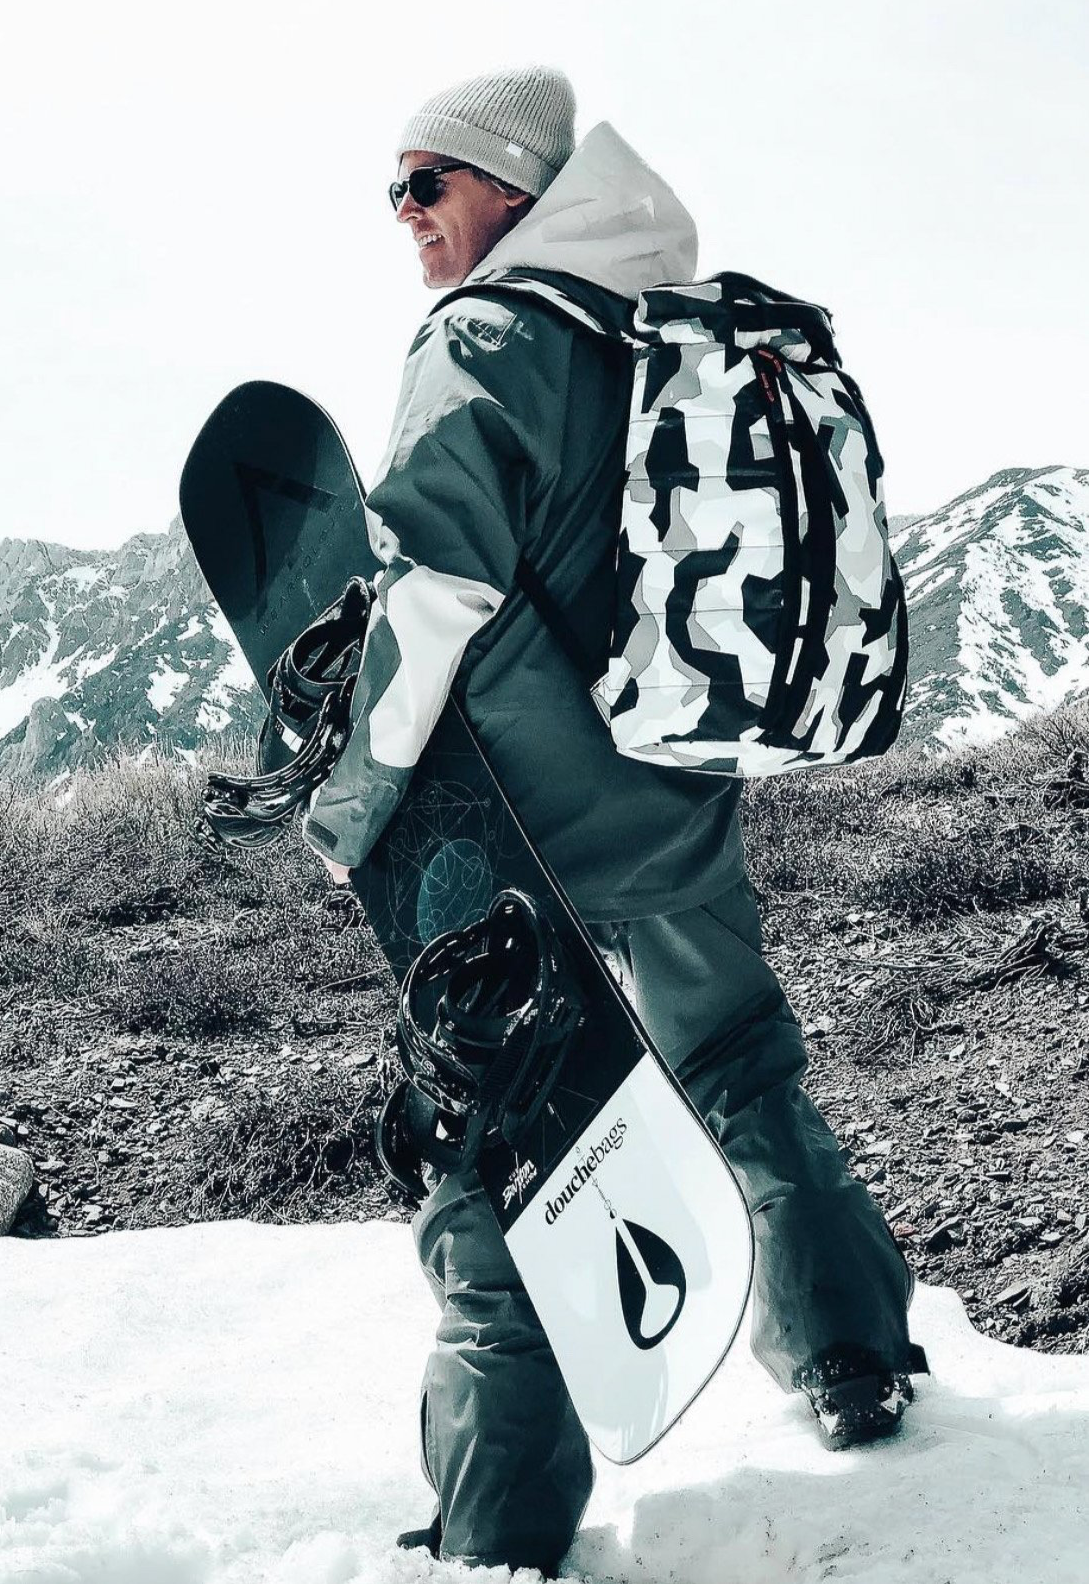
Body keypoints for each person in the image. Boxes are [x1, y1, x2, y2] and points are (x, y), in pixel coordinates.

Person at [301, 65, 922, 1578]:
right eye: (394, 187)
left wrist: (357, 795)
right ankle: (855, 1360)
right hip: (675, 779)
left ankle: (496, 1518)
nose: (405, 216)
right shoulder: (660, 327)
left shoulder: (483, 340)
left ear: (512, 188)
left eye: (428, 183)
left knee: (500, 1137)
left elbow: (435, 588)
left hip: (524, 823)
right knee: (740, 1063)